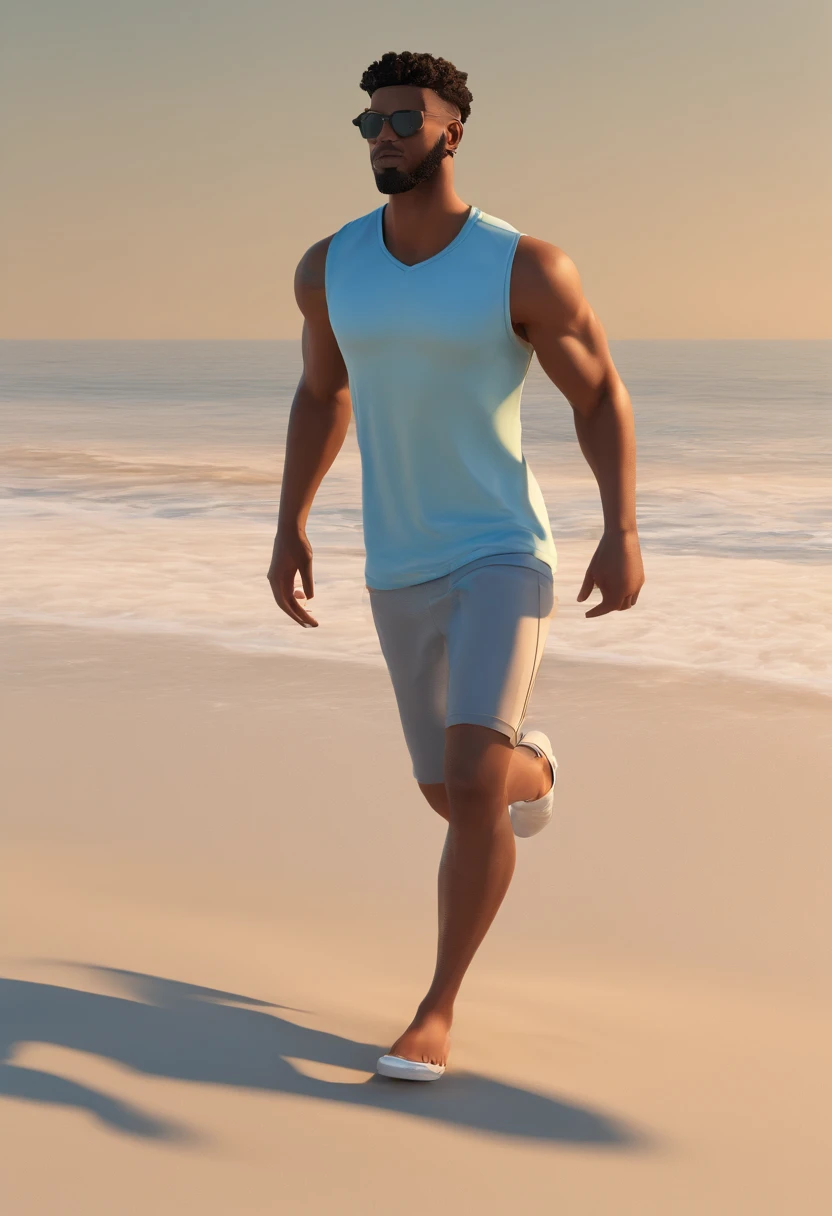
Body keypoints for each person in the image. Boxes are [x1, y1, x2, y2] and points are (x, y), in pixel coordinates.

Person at [268, 50, 645, 1081]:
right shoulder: (328, 266)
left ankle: (434, 1010)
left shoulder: (522, 266)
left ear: (452, 131)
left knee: (471, 782)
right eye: (370, 124)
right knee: (453, 792)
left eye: (404, 119)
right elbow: (321, 396)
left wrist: (621, 526)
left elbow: (598, 391)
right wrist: (290, 520)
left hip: (499, 549)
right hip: (397, 559)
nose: (384, 135)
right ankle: (540, 767)